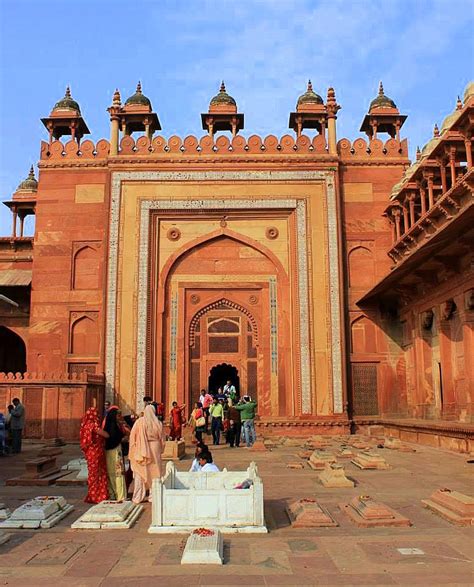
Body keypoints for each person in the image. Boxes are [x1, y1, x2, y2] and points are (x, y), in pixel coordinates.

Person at [129, 404, 165, 504]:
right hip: (155, 448)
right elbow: (162, 439)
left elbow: (133, 435)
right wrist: (161, 449)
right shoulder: (158, 423)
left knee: (140, 473)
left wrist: (134, 447)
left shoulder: (139, 422)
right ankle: (153, 496)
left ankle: (138, 496)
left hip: (142, 448)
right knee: (155, 472)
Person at [79, 407, 110, 503]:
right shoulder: (93, 425)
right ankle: (98, 496)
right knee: (98, 475)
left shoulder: (84, 425)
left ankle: (93, 495)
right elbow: (106, 435)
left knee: (92, 475)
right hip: (96, 453)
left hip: (90, 454)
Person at [103, 407, 127, 501]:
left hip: (109, 451)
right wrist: (122, 439)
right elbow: (115, 438)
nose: (119, 417)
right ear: (113, 416)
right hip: (115, 451)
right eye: (117, 415)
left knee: (113, 474)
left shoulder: (111, 426)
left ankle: (113, 494)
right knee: (117, 474)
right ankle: (120, 496)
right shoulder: (114, 427)